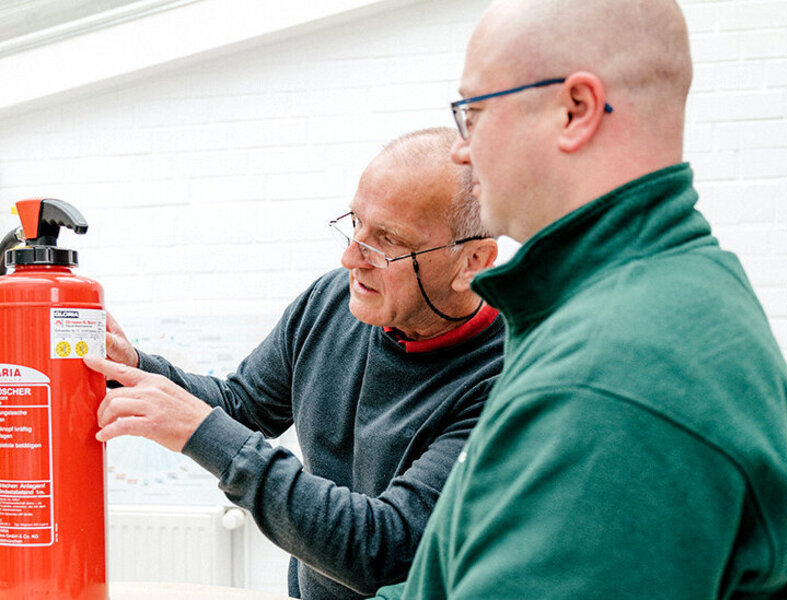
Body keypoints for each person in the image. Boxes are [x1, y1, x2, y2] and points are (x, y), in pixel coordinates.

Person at [373, 1, 787, 598]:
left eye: (475, 113)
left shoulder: (613, 375)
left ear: (575, 110)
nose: (460, 151)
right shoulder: (650, 297)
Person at [84, 127, 505, 600]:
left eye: (387, 240)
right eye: (356, 223)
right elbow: (243, 405)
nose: (350, 257)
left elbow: (385, 549)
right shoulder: (330, 301)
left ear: (472, 261)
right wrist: (134, 367)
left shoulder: (505, 377)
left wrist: (202, 433)